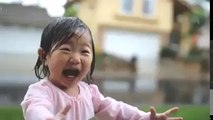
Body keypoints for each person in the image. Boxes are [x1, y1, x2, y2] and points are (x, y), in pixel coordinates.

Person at [21, 17, 182, 120]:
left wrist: (145, 117)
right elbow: (36, 110)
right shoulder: (40, 92)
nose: (76, 58)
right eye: (66, 49)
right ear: (44, 56)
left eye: (84, 51)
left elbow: (118, 110)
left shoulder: (90, 93)